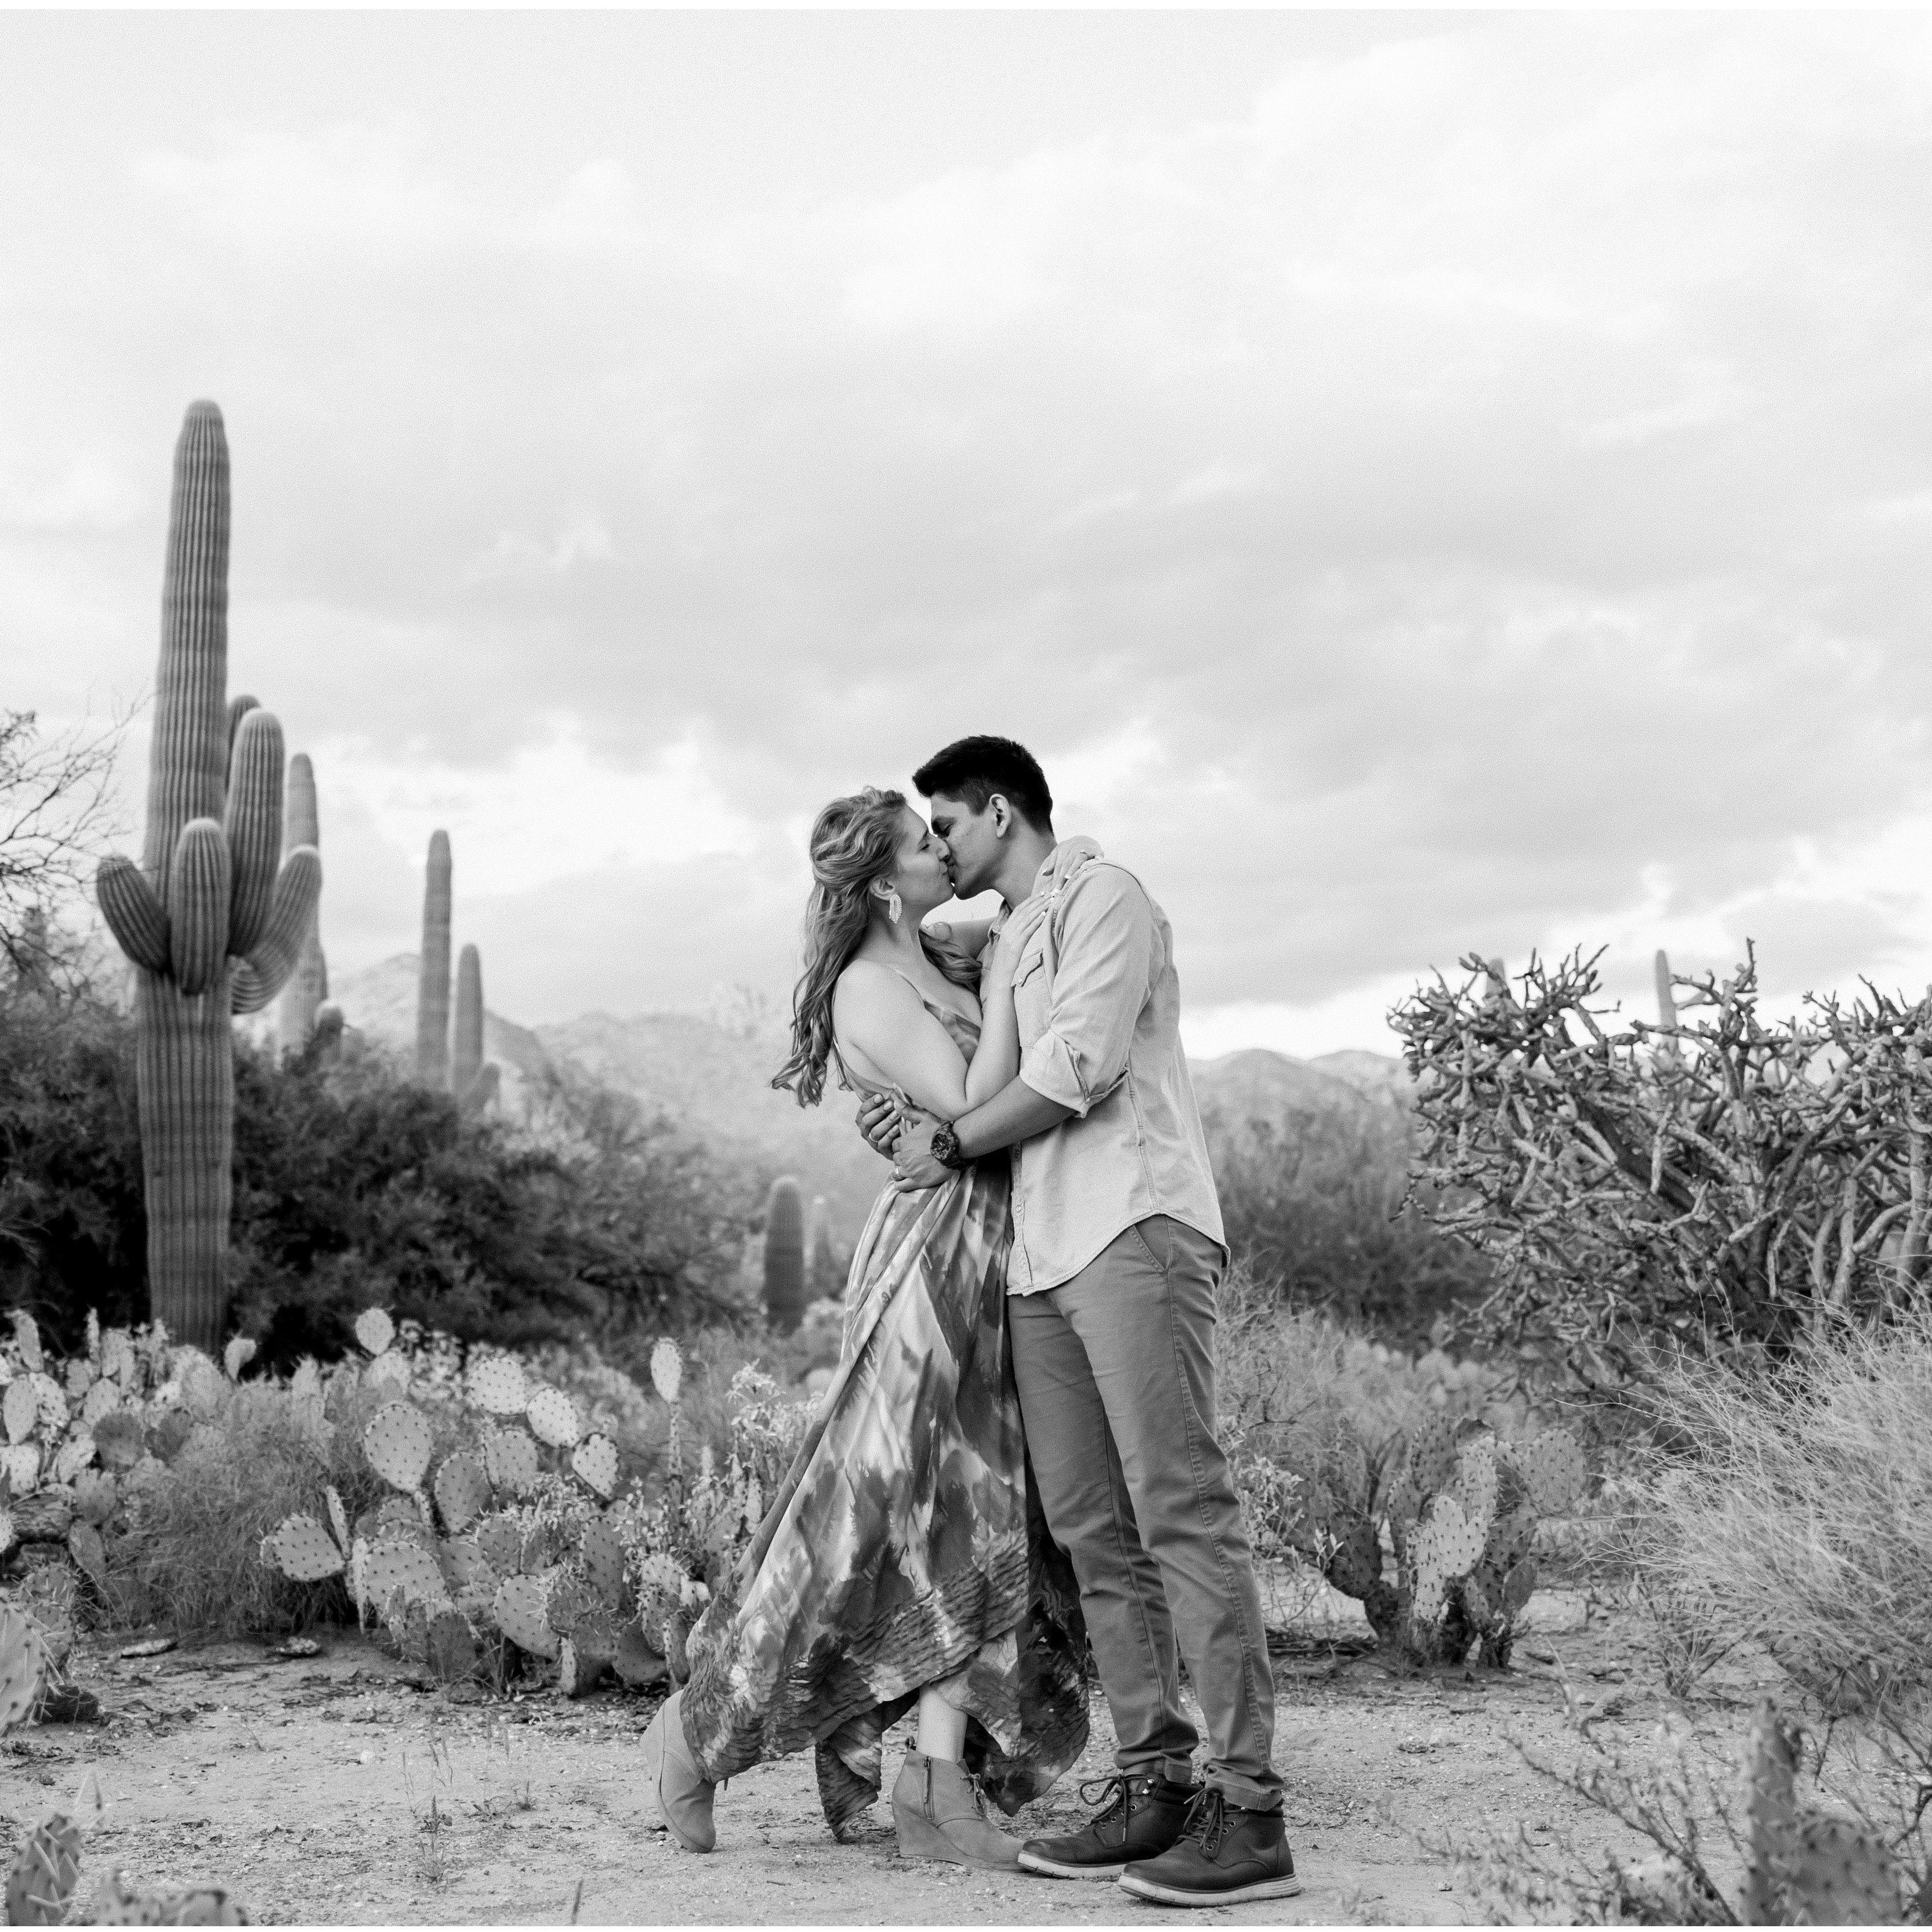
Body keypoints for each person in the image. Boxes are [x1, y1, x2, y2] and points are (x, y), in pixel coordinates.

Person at [864, 735, 1300, 1909]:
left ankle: (1249, 1810)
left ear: (1000, 812)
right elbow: (929, 980)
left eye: (947, 825)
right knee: (1092, 1528)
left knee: (1180, 1508)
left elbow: (1077, 1068)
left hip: (1133, 1224)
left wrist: (948, 1141)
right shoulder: (1008, 934)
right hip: (1040, 1254)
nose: (938, 847)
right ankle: (1156, 1782)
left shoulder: (1108, 897)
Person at [640, 786, 1089, 1868]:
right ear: (887, 883)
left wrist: (1001, 950)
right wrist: (1008, 982)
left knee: (976, 1518)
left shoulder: (939, 956)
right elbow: (974, 1104)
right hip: (933, 1257)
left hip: (999, 1249)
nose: (943, 850)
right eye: (923, 844)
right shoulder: (870, 988)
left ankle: (936, 1784)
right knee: (862, 1522)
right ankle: (698, 1731)